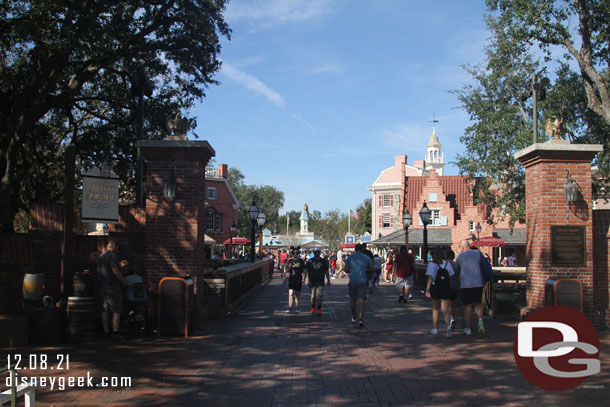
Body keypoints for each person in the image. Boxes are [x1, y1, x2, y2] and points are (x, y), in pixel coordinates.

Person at [97, 239, 134, 339]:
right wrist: (126, 281)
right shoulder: (112, 256)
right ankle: (115, 332)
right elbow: (115, 271)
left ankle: (106, 332)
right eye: (118, 247)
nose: (118, 250)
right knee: (116, 310)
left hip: (102, 286)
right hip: (112, 287)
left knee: (104, 310)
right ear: (113, 246)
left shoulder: (101, 256)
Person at [456, 240, 487, 335]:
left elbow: (457, 269)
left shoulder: (460, 256)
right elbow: (483, 264)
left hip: (466, 284)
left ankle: (468, 328)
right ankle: (480, 322)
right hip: (478, 282)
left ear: (462, 247)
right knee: (478, 304)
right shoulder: (477, 253)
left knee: (467, 307)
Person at [425, 247, 455, 338]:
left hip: (435, 287)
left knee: (435, 309)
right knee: (445, 309)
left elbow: (430, 278)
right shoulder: (448, 264)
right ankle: (448, 327)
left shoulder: (432, 264)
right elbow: (450, 276)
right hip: (445, 288)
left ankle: (435, 329)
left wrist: (427, 289)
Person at [345, 243, 374, 328]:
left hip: (353, 281)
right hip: (362, 281)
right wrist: (366, 269)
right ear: (362, 249)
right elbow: (373, 268)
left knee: (353, 300)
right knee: (361, 300)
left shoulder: (350, 257)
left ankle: (354, 316)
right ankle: (361, 319)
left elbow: (346, 269)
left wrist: (352, 270)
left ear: (355, 249)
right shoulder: (366, 257)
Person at [303, 248, 331, 315]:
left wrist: (328, 280)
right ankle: (313, 307)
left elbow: (326, 271)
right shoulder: (310, 261)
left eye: (318, 252)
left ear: (320, 252)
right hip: (312, 281)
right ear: (313, 252)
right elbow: (306, 270)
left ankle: (319, 309)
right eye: (315, 252)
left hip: (320, 281)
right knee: (313, 296)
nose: (317, 253)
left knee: (319, 296)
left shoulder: (323, 261)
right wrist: (303, 278)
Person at [285, 247, 305, 313]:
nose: (295, 254)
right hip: (292, 278)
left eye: (297, 253)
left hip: (298, 278)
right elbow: (286, 270)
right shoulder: (290, 261)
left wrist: (303, 278)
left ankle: (297, 308)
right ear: (292, 253)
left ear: (298, 253)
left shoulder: (301, 261)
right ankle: (290, 308)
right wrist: (289, 267)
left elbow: (304, 270)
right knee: (291, 293)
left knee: (297, 294)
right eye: (294, 253)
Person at [446, 250, 461, 330]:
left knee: (446, 304)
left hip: (446, 286)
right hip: (455, 286)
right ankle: (452, 317)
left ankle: (450, 319)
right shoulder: (456, 265)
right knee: (452, 303)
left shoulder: (444, 264)